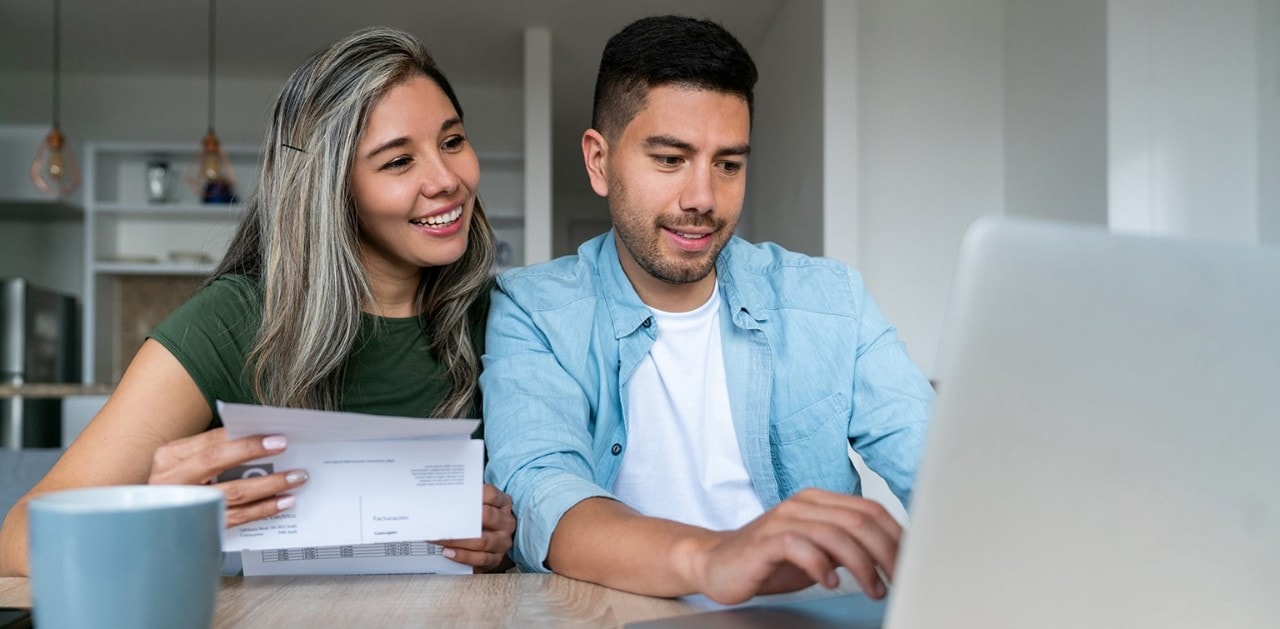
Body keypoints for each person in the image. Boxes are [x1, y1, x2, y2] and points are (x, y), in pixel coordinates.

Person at [0, 27, 515, 576]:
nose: (447, 179)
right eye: (397, 162)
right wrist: (156, 515)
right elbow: (16, 543)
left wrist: (509, 539)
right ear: (328, 189)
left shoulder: (508, 317)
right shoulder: (230, 323)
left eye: (452, 141)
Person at [481, 15, 933, 604]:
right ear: (599, 161)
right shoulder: (533, 309)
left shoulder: (829, 301)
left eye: (728, 164)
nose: (703, 199)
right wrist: (714, 556)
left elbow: (940, 467)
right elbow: (543, 493)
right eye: (670, 159)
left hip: (814, 616)